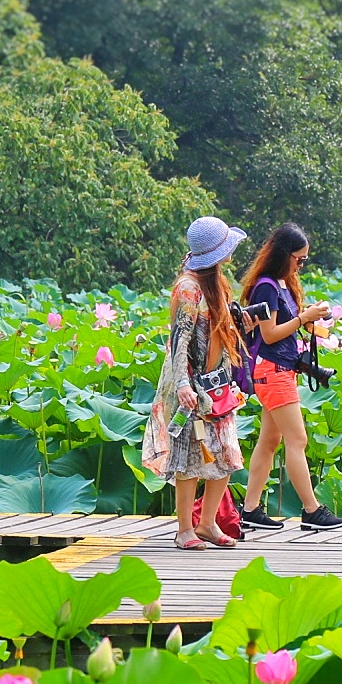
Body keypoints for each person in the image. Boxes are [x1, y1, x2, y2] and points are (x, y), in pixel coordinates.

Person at [141, 216, 251, 549]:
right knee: (190, 457)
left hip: (218, 385)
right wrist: (183, 386)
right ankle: (184, 529)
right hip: (192, 387)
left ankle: (207, 525)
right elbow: (180, 341)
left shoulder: (216, 282)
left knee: (225, 456)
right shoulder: (188, 288)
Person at [236, 222, 342, 531]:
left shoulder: (284, 285)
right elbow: (269, 335)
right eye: (299, 259)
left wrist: (313, 322)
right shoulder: (266, 287)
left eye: (304, 260)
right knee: (297, 439)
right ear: (283, 255)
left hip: (282, 369)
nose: (300, 265)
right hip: (272, 370)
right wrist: (303, 318)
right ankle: (312, 511)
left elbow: (287, 328)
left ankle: (250, 509)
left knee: (269, 441)